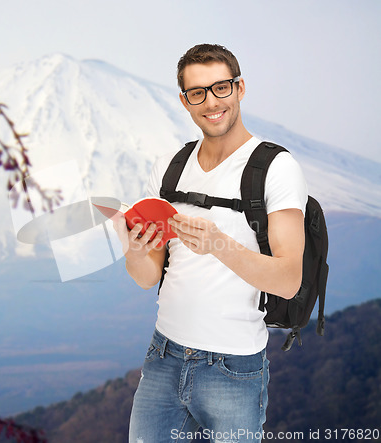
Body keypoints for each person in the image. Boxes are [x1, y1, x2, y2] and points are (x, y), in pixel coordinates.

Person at [114, 44, 308, 443]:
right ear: (185, 101)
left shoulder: (276, 168)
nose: (211, 102)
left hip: (233, 367)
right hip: (163, 357)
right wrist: (134, 247)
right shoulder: (168, 167)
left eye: (221, 87)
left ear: (239, 88)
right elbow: (147, 276)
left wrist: (219, 244)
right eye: (198, 93)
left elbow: (289, 280)